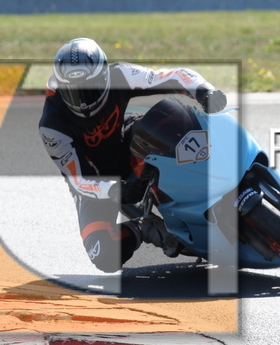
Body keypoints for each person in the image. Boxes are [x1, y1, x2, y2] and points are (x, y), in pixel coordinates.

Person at [38, 37, 227, 273]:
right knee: (102, 254)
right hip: (95, 185)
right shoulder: (51, 126)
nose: (83, 102)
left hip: (128, 143)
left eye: (88, 89)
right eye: (73, 92)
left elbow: (174, 76)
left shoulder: (120, 74)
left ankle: (217, 172)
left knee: (173, 116)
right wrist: (117, 190)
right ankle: (145, 228)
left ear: (104, 77)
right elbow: (78, 180)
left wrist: (204, 91)